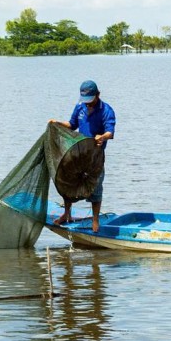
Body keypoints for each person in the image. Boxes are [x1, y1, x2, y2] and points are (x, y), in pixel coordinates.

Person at [50, 79, 115, 231]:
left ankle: (95, 220)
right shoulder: (80, 107)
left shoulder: (106, 110)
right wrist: (57, 123)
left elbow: (110, 132)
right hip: (78, 154)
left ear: (98, 95)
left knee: (96, 185)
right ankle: (66, 214)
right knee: (67, 181)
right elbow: (72, 125)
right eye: (85, 100)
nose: (88, 103)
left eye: (90, 100)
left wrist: (102, 137)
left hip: (94, 157)